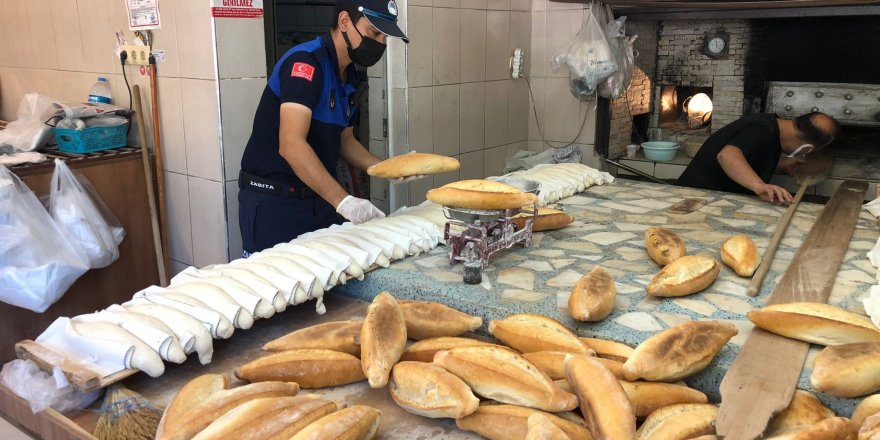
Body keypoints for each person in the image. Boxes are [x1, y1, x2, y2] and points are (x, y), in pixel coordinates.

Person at [238, 0, 414, 257]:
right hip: (275, 203)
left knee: (330, 289)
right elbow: (291, 145)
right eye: (374, 33)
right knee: (281, 291)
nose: (381, 44)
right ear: (344, 21)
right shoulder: (306, 65)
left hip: (318, 197)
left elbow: (345, 140)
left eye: (384, 37)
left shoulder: (351, 77)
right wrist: (344, 201)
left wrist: (386, 169)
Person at [676, 111, 840, 205]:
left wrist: (780, 164)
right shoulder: (762, 129)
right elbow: (727, 156)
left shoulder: (774, 127)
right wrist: (759, 185)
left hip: (715, 199)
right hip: (696, 200)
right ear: (807, 148)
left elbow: (749, 154)